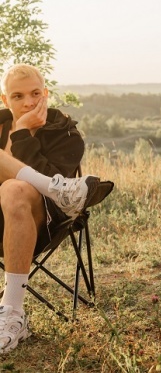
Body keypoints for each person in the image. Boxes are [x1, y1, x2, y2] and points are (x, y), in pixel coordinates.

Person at [0, 64, 100, 354]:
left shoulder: (64, 132)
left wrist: (22, 134)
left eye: (35, 94)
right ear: (5, 100)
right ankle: (59, 188)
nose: (28, 103)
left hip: (40, 220)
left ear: (45, 94)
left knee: (14, 188)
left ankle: (13, 313)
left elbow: (48, 192)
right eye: (18, 96)